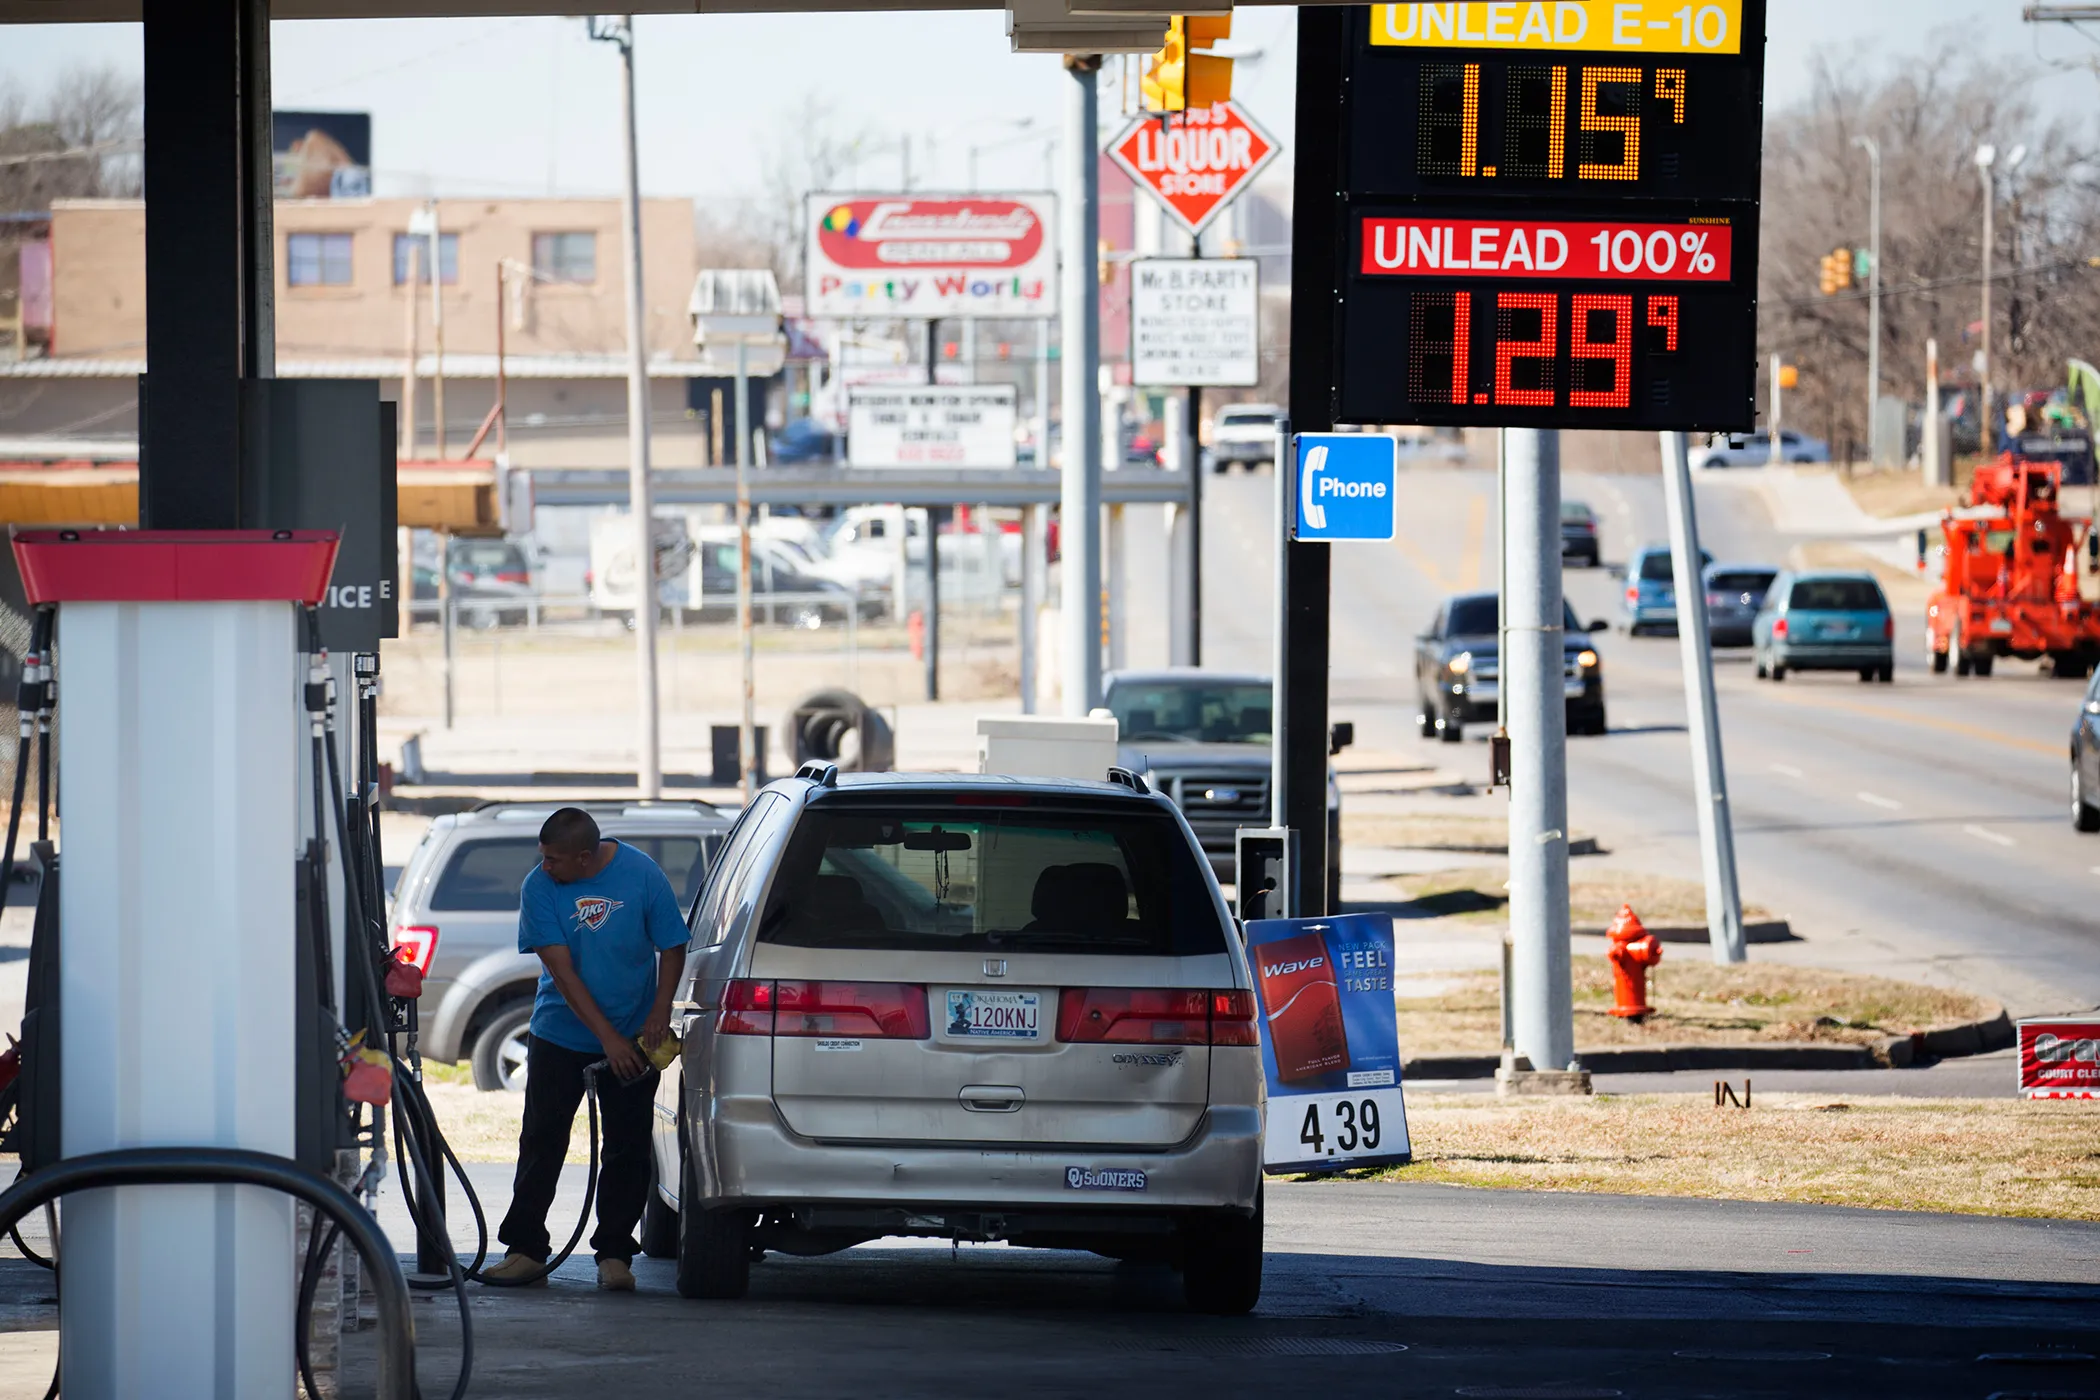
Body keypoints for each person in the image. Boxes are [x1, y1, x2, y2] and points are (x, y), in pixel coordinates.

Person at [481, 807, 688, 1291]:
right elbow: (563, 973)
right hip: (559, 1033)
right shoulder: (539, 887)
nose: (545, 866)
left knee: (628, 1146)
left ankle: (615, 1255)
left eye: (554, 859)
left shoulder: (641, 873)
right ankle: (526, 1249)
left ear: (584, 856)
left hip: (635, 1033)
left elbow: (672, 945)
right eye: (543, 857)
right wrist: (607, 1041)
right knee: (542, 1139)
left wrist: (661, 1009)